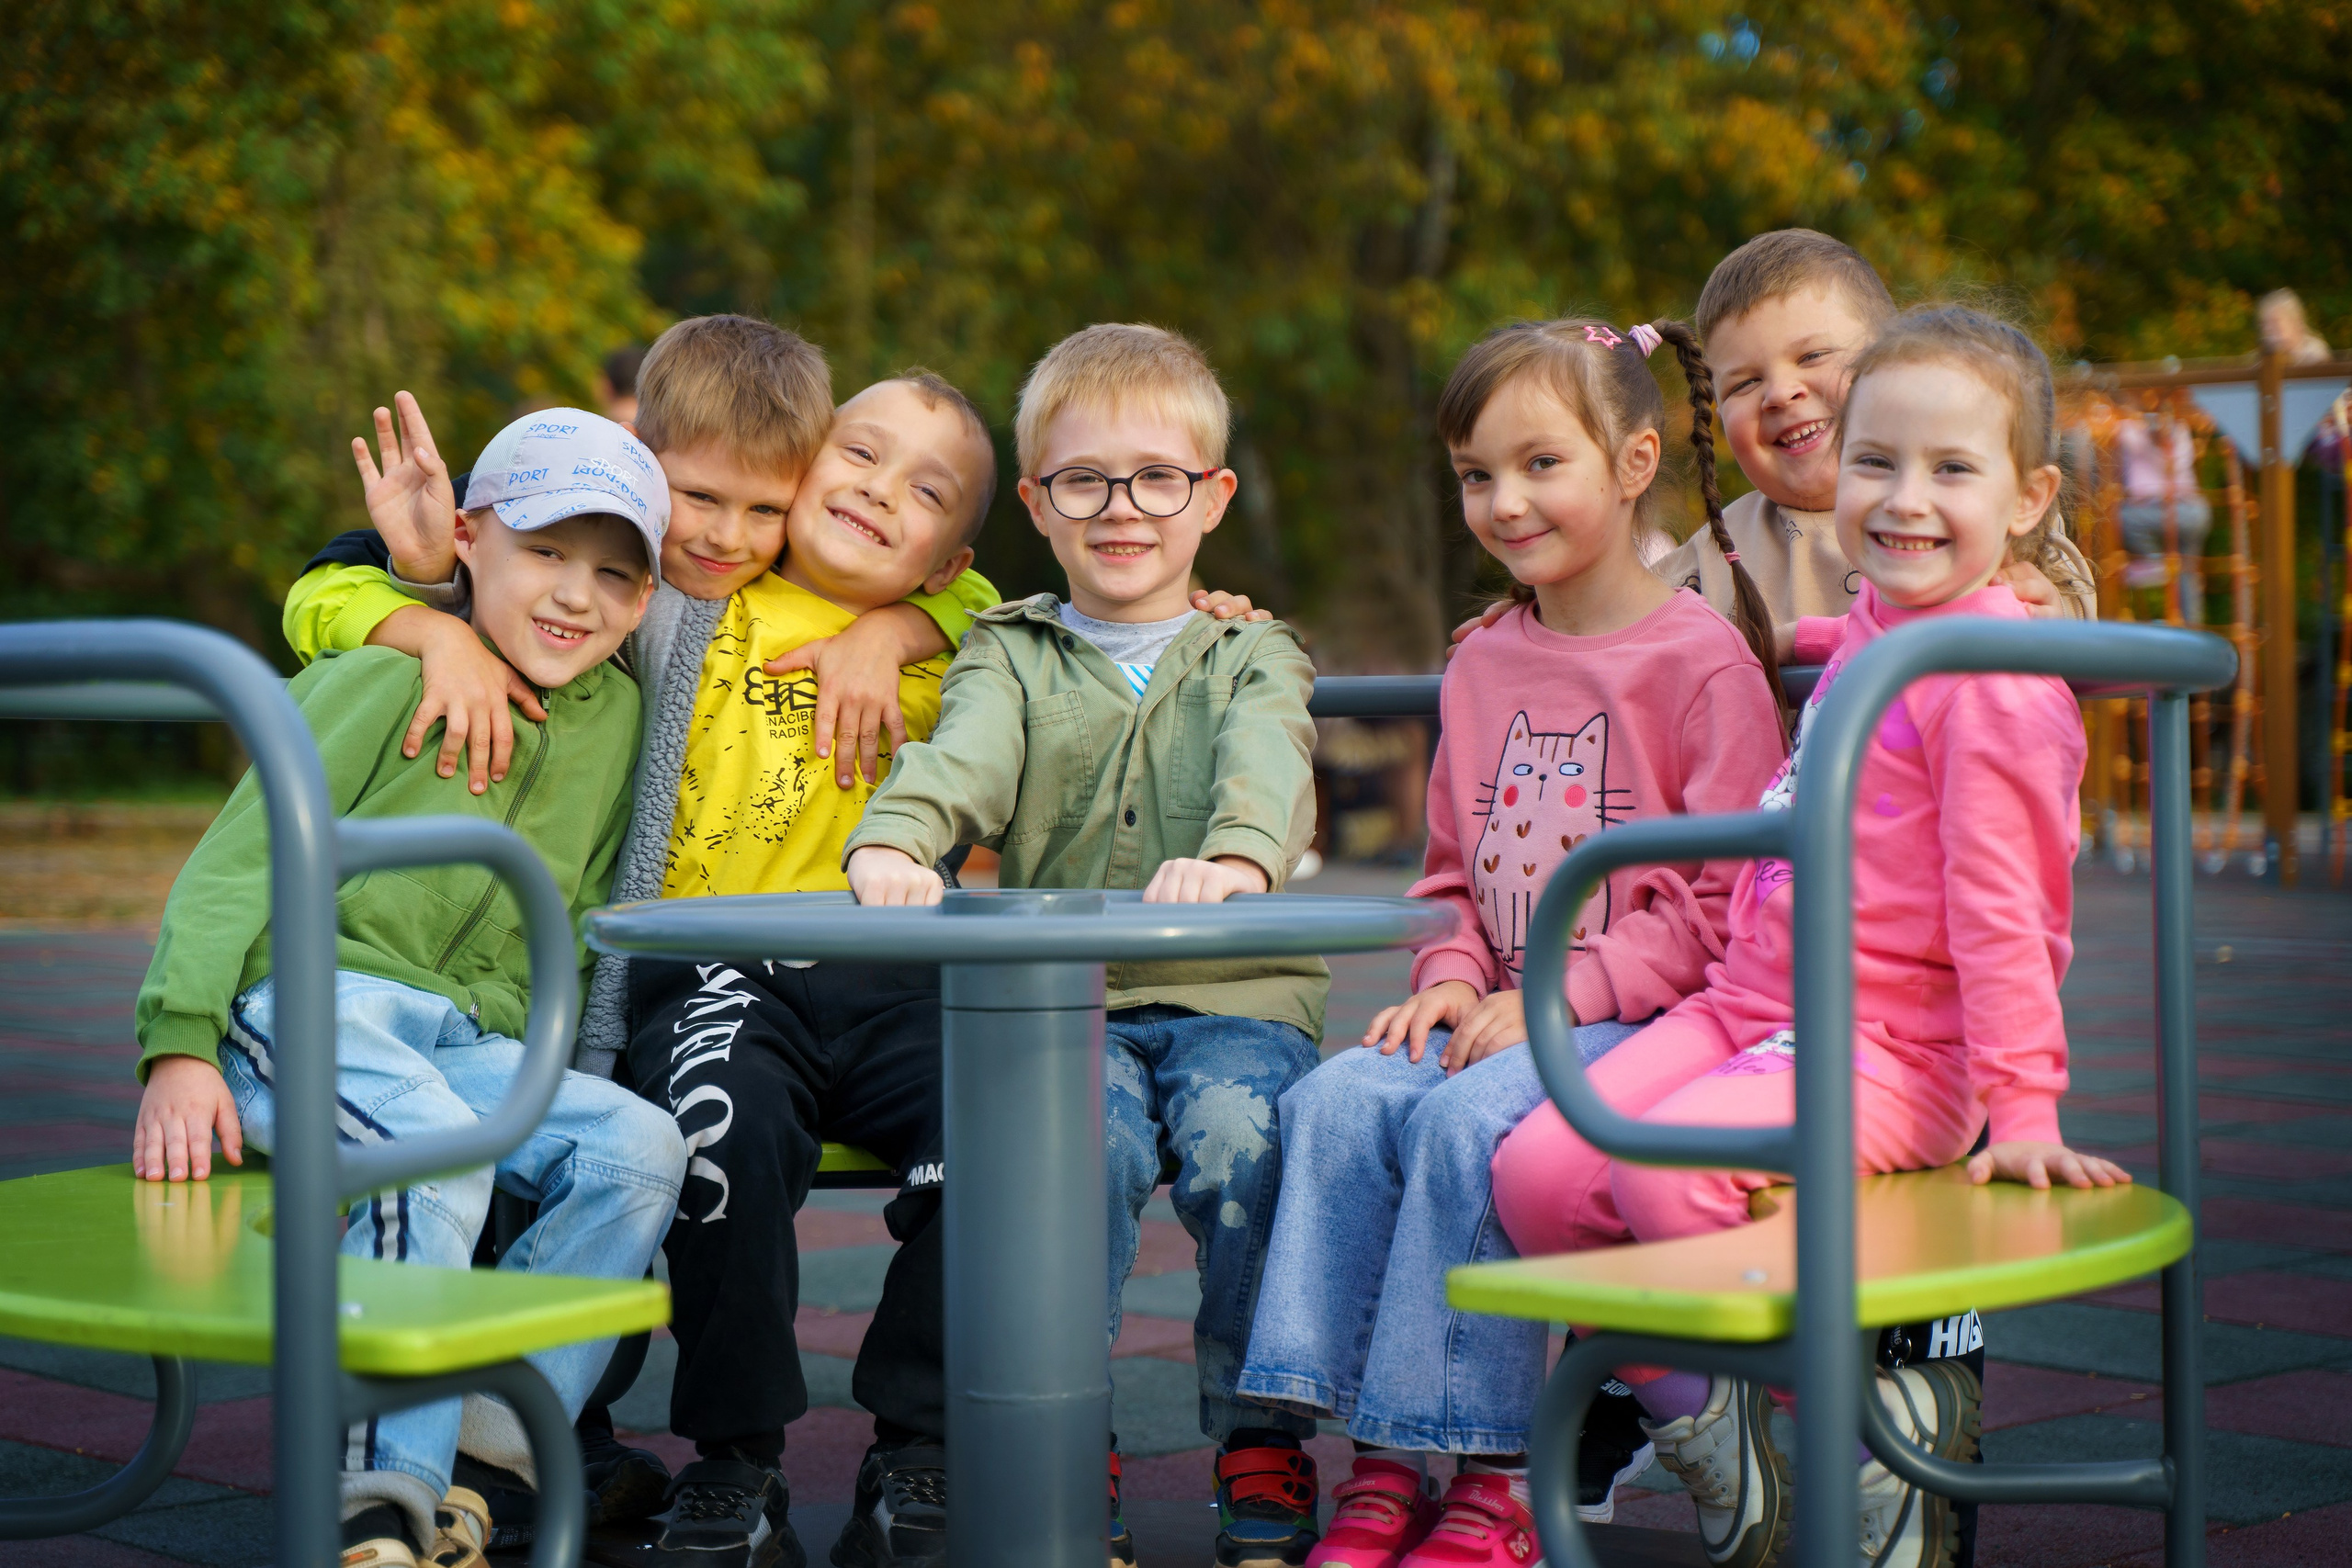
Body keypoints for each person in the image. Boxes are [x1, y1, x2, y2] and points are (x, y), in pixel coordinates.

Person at [1487, 305, 2132, 1568]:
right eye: (1876, 461)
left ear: (2028, 495)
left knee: (1664, 1172)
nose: (1903, 498)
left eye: (1953, 470)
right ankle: (1717, 1432)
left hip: (1901, 1042)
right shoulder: (1887, 625)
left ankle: (1854, 1445)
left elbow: (2011, 916)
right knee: (1541, 1174)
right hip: (1756, 1001)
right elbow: (1836, 639)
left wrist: (2030, 1106)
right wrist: (1760, 636)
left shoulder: (1994, 679)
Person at [1234, 319, 1788, 1568]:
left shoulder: (1702, 665)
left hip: (1636, 1019)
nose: (1504, 499)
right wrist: (1444, 982)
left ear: (1635, 459)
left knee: (1467, 1124)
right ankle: (1378, 1458)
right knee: (1335, 1099)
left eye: (1542, 463)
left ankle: (1492, 1473)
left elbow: (1718, 913)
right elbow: (1450, 875)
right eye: (1478, 474)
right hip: (1500, 1005)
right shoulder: (1483, 660)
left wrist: (1547, 992)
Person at [130, 410, 687, 1568]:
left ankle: (485, 1442)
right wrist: (180, 1043)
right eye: (545, 551)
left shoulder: (620, 717)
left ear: (643, 603)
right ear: (471, 540)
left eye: (613, 574)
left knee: (639, 1148)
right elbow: (239, 860)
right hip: (307, 1005)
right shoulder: (381, 673)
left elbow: (581, 912)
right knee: (433, 1144)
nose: (576, 595)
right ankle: (378, 1498)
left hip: (464, 1035)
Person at [842, 323, 1325, 1568]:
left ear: (1211, 497)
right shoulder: (1009, 648)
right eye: (1083, 481)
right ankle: (1066, 1435)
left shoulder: (1249, 647)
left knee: (1248, 1146)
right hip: (1078, 1000)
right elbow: (962, 758)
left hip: (1234, 990)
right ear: (1037, 504)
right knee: (1065, 1154)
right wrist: (897, 839)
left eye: (1157, 477)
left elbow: (1267, 760)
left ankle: (1262, 1429)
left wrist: (1237, 856)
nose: (1122, 509)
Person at [2113, 400, 2211, 621]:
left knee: (2124, 518)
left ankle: (2153, 562)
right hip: (2193, 511)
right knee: (2186, 574)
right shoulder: (2180, 435)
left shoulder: (2134, 434)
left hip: (2169, 510)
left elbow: (2124, 431)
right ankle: (2190, 627)